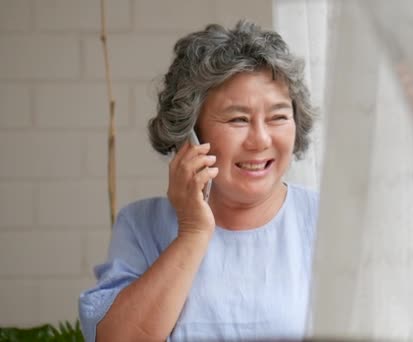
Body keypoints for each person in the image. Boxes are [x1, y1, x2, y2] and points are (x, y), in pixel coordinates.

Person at [79, 20, 318, 342]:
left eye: (278, 117)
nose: (260, 140)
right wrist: (192, 232)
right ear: (190, 133)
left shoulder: (325, 222)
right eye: (238, 119)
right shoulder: (141, 225)